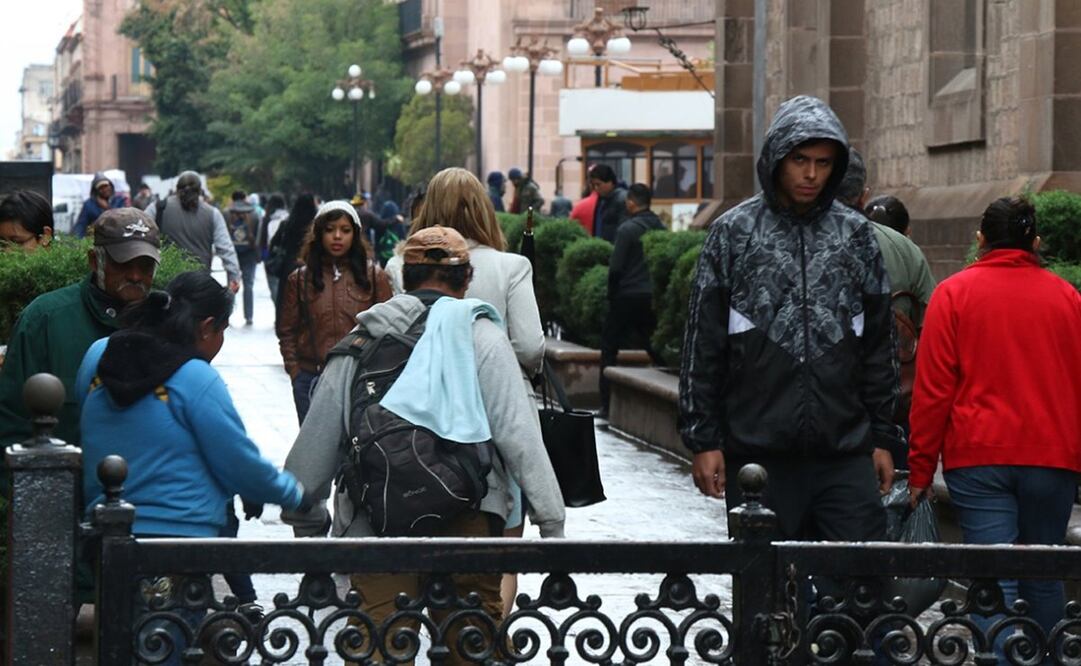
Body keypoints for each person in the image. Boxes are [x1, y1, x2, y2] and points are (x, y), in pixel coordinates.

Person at [281, 226, 565, 664]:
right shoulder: (482, 337)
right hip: (469, 518)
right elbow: (519, 434)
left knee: (379, 647)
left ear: (402, 278)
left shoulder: (360, 342)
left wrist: (307, 520)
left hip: (376, 522)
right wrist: (552, 523)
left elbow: (317, 442)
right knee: (469, 646)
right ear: (466, 278)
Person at [680, 95, 899, 547]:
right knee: (767, 595)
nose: (812, 174)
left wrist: (884, 438)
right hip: (758, 456)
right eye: (800, 160)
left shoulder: (855, 235)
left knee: (860, 592)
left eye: (823, 162)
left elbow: (879, 344)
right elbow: (703, 343)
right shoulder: (733, 233)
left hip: (844, 453)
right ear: (778, 157)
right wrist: (703, 439)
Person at [76, 271, 308, 652]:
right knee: (165, 648)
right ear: (206, 327)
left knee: (119, 644)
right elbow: (238, 461)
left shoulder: (99, 355)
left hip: (107, 535)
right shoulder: (194, 377)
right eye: (223, 330)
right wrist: (295, 494)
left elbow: (88, 418)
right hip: (178, 543)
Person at [908, 195, 1081, 650]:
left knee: (993, 582)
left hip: (978, 456)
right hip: (1052, 457)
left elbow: (932, 392)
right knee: (1044, 577)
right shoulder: (1068, 298)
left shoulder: (953, 294)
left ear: (980, 240)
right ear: (1035, 241)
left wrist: (922, 470)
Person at [385, 168, 546, 612]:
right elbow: (531, 347)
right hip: (498, 419)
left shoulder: (400, 266)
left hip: (418, 416)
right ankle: (486, 636)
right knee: (503, 551)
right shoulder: (512, 266)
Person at [0, 208, 160, 447]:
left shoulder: (167, 320)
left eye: (146, 265)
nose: (136, 276)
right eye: (123, 264)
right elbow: (11, 420)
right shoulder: (44, 320)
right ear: (94, 261)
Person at [276, 201, 392, 424]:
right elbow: (286, 330)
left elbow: (389, 327)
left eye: (345, 230)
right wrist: (295, 371)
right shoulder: (300, 279)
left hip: (359, 377)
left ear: (355, 234)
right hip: (311, 376)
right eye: (330, 230)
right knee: (314, 452)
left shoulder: (374, 276)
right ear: (319, 234)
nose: (337, 236)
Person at [838, 151, 936, 329]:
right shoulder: (904, 248)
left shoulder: (785, 242)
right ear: (863, 197)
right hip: (891, 352)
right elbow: (932, 311)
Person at [599, 183, 666, 418]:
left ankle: (606, 405)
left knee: (609, 348)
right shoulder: (660, 228)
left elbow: (615, 268)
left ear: (631, 202)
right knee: (653, 346)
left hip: (626, 296)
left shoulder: (627, 229)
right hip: (649, 297)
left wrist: (611, 295)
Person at [144, 172, 241, 293]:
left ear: (177, 189)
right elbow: (225, 248)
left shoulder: (158, 208)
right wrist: (234, 277)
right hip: (200, 284)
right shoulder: (212, 214)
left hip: (166, 283)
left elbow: (142, 236)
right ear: (200, 190)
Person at [267, 193, 318, 306]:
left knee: (287, 302)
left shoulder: (287, 224)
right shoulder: (316, 226)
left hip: (288, 267)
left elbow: (273, 244)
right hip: (313, 266)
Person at [224, 190, 261, 325]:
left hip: (232, 253)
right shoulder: (255, 214)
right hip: (249, 253)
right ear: (245, 198)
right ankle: (249, 316)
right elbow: (258, 236)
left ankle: (227, 315)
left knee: (231, 284)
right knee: (249, 285)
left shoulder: (226, 213)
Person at [73, 173, 124, 238]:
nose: (105, 189)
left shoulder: (119, 200)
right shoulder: (89, 205)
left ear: (110, 186)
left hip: (118, 238)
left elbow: (122, 220)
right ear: (96, 191)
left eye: (106, 186)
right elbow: (81, 225)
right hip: (98, 239)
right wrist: (77, 241)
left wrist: (107, 208)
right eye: (101, 188)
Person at [259, 194, 289, 302]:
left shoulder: (266, 219)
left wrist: (262, 256)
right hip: (286, 257)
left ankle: (278, 312)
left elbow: (263, 240)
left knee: (273, 287)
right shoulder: (289, 217)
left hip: (270, 257)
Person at [589, 164, 628, 242]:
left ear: (610, 182)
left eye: (598, 184)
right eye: (594, 185)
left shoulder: (622, 199)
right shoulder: (602, 199)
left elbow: (623, 230)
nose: (596, 188)